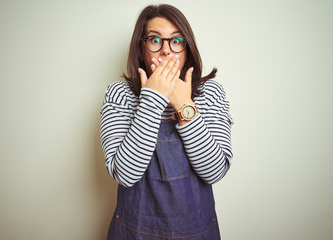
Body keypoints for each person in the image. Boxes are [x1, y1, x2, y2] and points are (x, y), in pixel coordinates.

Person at [100, 4, 233, 239]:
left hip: (198, 231)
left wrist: (184, 104)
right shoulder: (119, 94)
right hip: (134, 233)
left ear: (186, 49)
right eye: (154, 40)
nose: (166, 51)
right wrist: (152, 99)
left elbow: (214, 171)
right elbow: (125, 174)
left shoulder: (210, 93)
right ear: (141, 49)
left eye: (176, 41)